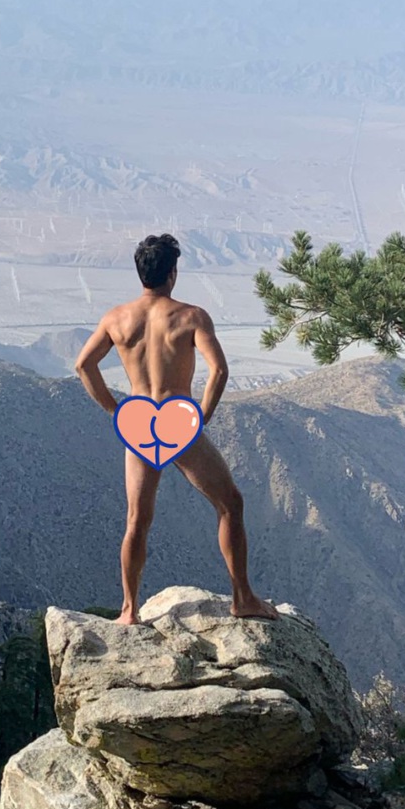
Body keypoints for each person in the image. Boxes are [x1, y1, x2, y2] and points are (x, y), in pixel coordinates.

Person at [74, 233, 280, 626]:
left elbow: (84, 365)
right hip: (177, 420)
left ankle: (128, 610)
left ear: (140, 273)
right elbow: (219, 370)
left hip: (137, 422)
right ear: (172, 273)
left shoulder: (116, 318)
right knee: (230, 504)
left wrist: (114, 410)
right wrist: (202, 415)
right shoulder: (191, 317)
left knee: (137, 519)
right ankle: (242, 598)